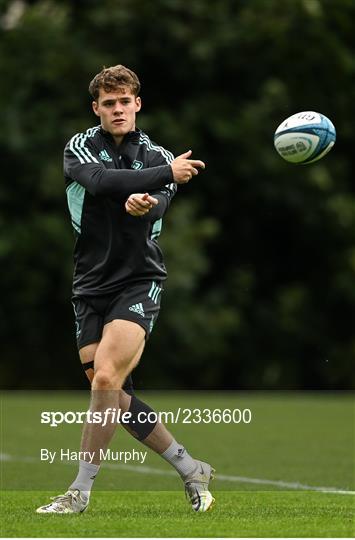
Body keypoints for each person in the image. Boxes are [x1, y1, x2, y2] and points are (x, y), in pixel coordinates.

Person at [36, 65, 215, 514]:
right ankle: (190, 467)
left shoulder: (158, 157)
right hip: (89, 285)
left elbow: (158, 202)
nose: (118, 110)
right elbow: (98, 182)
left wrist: (149, 199)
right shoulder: (80, 147)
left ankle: (78, 493)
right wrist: (161, 179)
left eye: (125, 102)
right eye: (109, 103)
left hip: (139, 281)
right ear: (96, 108)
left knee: (106, 378)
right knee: (113, 395)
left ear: (138, 104)